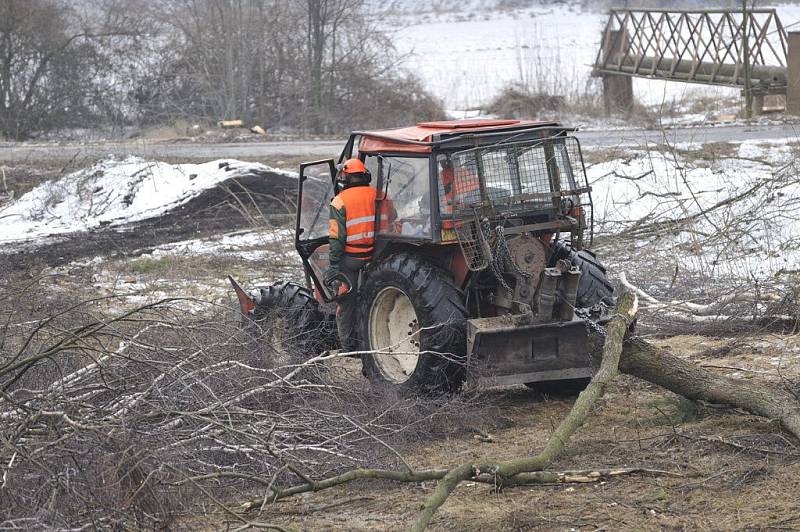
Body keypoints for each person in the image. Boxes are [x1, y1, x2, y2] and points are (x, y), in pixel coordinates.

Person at [323, 158, 377, 353]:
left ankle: (349, 347)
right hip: (376, 258)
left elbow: (337, 238)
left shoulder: (339, 201)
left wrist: (334, 266)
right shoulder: (379, 195)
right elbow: (392, 219)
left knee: (345, 303)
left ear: (344, 177)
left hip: (350, 260)